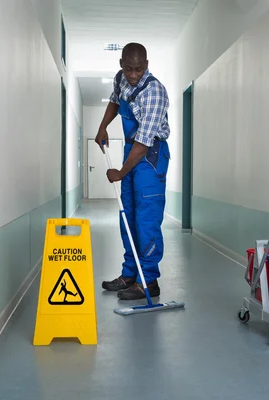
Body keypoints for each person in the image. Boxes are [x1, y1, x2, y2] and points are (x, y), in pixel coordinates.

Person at [95, 42, 171, 301]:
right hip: (131, 150)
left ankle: (148, 281)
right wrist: (102, 126)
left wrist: (120, 172)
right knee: (126, 215)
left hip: (150, 155)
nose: (133, 74)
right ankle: (130, 273)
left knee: (146, 219)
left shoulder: (155, 92)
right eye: (129, 69)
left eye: (139, 69)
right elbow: (115, 102)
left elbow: (143, 142)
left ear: (146, 65)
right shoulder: (121, 79)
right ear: (121, 65)